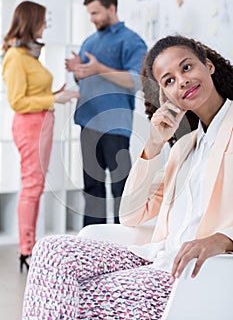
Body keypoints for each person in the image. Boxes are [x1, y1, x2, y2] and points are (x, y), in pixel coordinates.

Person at [22, 35, 233, 319]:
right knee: (50, 251)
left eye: (186, 68)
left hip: (193, 271)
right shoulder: (185, 146)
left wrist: (223, 239)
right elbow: (132, 214)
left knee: (70, 295)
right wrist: (155, 144)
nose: (181, 81)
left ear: (208, 66)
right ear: (164, 95)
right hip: (156, 256)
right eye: (168, 81)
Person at [1, 1, 79, 273]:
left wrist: (57, 94)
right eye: (43, 20)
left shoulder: (28, 55)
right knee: (32, 187)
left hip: (41, 123)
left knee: (35, 186)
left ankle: (29, 248)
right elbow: (18, 102)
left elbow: (33, 94)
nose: (45, 25)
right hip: (31, 125)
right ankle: (27, 249)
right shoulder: (15, 58)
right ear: (31, 21)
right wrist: (55, 97)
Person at [65, 0, 147, 226]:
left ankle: (123, 245)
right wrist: (78, 71)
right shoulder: (89, 42)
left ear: (112, 8)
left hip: (115, 127)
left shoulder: (131, 41)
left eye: (96, 13)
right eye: (89, 14)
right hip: (88, 123)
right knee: (93, 190)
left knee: (122, 190)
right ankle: (92, 247)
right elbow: (84, 79)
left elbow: (137, 81)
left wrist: (100, 68)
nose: (92, 19)